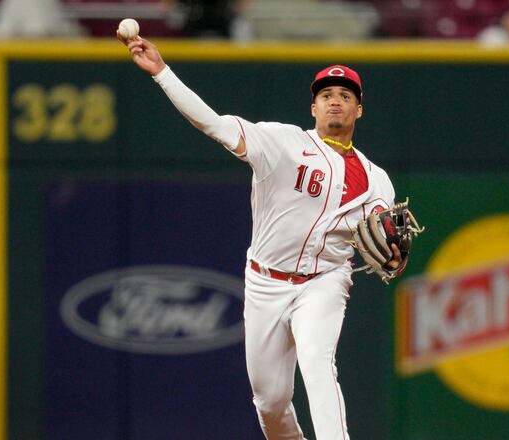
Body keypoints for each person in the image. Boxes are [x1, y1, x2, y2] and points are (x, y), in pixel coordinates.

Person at [117, 32, 405, 439]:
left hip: (324, 281)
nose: (335, 100)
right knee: (269, 402)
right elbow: (213, 124)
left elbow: (385, 236)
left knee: (316, 359)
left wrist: (391, 251)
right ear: (313, 107)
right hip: (265, 281)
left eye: (344, 94)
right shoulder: (282, 143)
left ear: (359, 108)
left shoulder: (377, 180)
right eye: (326, 95)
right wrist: (162, 73)